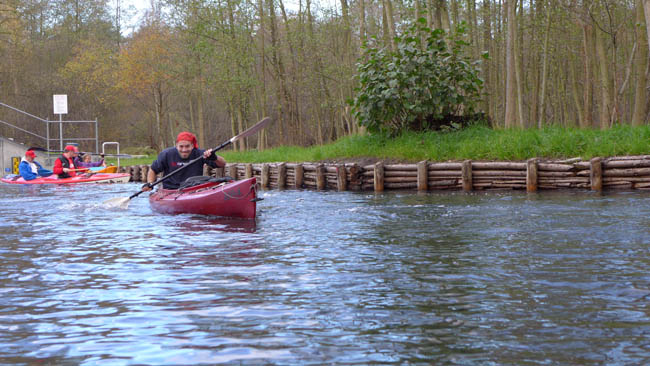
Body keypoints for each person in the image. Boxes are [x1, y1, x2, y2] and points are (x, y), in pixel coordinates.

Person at [142, 132, 226, 191]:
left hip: (193, 189)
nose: (184, 150)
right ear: (176, 145)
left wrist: (214, 157)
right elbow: (153, 170)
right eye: (181, 146)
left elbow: (222, 164)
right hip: (170, 191)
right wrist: (150, 183)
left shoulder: (200, 154)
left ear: (192, 146)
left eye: (187, 146)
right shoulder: (166, 154)